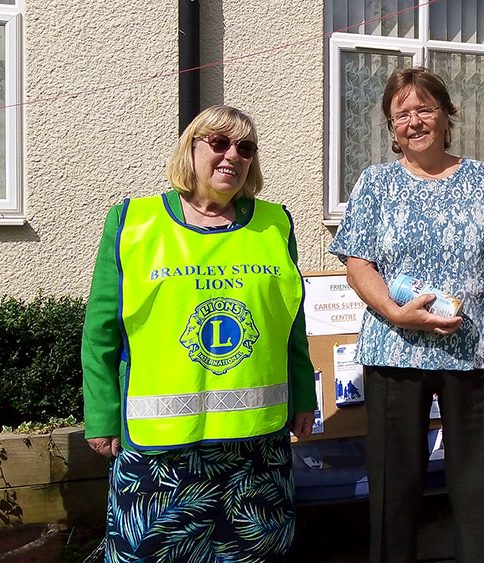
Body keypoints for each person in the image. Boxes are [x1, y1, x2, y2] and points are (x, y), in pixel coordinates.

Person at [82, 105, 317, 562]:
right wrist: (102, 415)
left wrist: (303, 396)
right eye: (219, 143)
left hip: (256, 452)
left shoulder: (275, 224)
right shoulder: (132, 222)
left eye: (245, 148)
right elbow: (101, 331)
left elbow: (291, 323)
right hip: (159, 453)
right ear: (190, 149)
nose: (233, 155)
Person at [328, 67, 484, 563]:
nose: (414, 121)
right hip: (396, 349)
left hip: (474, 349)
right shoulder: (375, 183)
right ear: (391, 127)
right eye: (402, 114)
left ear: (445, 115)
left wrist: (467, 299)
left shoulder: (482, 178)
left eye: (424, 109)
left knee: (476, 484)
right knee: (395, 483)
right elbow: (357, 263)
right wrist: (399, 313)